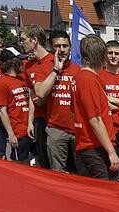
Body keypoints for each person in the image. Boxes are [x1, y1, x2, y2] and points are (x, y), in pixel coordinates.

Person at [72, 35, 119, 180]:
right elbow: (95, 119)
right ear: (101, 57)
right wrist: (111, 151)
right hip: (94, 146)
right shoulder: (88, 80)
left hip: (92, 145)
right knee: (106, 192)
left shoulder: (80, 77)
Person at [34, 30, 80, 172]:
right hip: (56, 129)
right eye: (57, 46)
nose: (61, 50)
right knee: (58, 173)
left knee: (80, 172)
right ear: (51, 47)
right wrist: (55, 70)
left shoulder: (78, 69)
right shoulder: (44, 67)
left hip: (77, 129)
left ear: (70, 47)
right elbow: (40, 92)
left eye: (65, 46)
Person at [19, 24, 52, 168]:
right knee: (42, 159)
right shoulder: (28, 65)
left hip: (54, 119)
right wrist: (30, 122)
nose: (22, 43)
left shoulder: (53, 61)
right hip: (40, 119)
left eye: (23, 40)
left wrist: (45, 97)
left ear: (34, 40)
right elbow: (32, 95)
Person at [0, 47, 34, 163]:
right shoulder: (1, 82)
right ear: (12, 63)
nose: (22, 63)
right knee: (21, 163)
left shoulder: (22, 78)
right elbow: (2, 111)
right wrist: (11, 134)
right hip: (18, 130)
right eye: (19, 60)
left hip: (30, 127)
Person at [99, 40, 119, 177]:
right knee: (110, 169)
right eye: (110, 53)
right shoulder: (99, 75)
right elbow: (103, 104)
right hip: (107, 129)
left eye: (116, 53)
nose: (113, 56)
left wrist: (113, 101)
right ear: (105, 55)